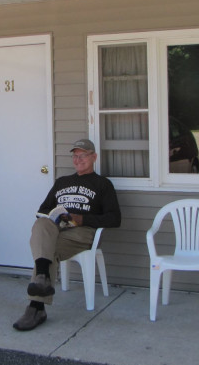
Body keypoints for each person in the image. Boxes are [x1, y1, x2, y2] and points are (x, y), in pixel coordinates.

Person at [13, 139, 121, 331]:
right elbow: (42, 209)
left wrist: (82, 219)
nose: (78, 159)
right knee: (40, 223)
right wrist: (55, 217)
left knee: (46, 252)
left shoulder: (103, 184)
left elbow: (114, 219)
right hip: (58, 229)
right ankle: (42, 282)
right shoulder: (62, 182)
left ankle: (36, 307)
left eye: (83, 155)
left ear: (94, 157)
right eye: (75, 156)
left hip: (83, 232)